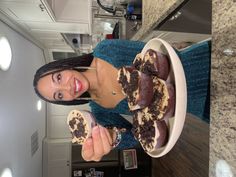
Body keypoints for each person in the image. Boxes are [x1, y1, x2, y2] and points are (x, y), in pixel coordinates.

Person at [33, 39, 211, 161]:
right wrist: (111, 139)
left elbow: (157, 56)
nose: (67, 87)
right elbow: (135, 137)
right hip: (202, 107)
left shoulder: (105, 50)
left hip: (204, 62)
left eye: (58, 78)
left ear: (63, 67)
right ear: (66, 102)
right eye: (59, 95)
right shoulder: (99, 111)